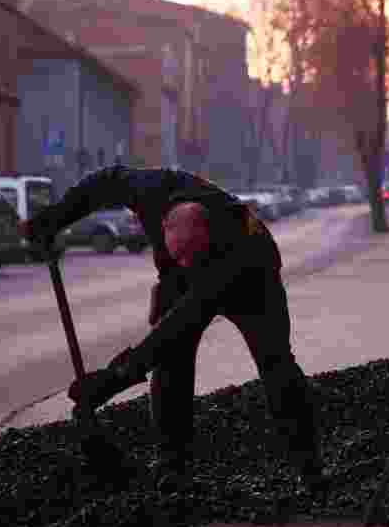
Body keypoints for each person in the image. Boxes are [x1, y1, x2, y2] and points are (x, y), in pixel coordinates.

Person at [23, 165, 328, 496]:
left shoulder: (231, 256)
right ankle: (174, 467)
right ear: (163, 225)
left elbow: (174, 328)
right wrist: (57, 217)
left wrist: (114, 378)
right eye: (179, 255)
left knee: (276, 364)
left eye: (191, 258)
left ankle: (309, 469)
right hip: (188, 282)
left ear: (207, 238)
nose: (186, 264)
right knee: (172, 365)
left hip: (252, 279)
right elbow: (104, 182)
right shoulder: (150, 191)